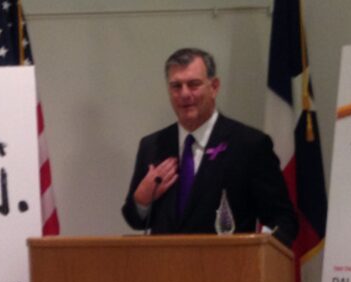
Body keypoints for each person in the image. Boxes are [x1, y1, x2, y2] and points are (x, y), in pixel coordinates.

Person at [121, 48, 297, 247]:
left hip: (228, 271)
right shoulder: (152, 146)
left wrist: (260, 248)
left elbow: (283, 220)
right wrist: (141, 199)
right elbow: (135, 220)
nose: (185, 94)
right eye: (176, 86)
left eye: (193, 84)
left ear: (214, 87)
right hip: (164, 272)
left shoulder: (249, 145)